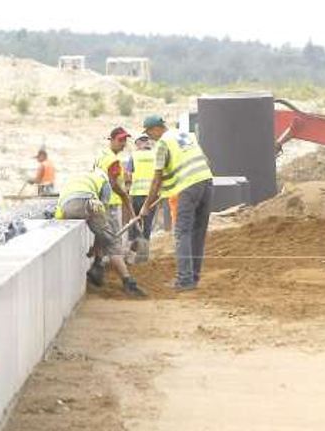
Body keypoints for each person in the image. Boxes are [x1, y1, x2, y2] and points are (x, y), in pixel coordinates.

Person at [139, 114, 214, 291]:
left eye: (149, 133)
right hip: (206, 181)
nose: (150, 137)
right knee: (198, 232)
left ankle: (184, 280)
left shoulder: (163, 144)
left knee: (182, 232)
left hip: (188, 187)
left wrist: (145, 206)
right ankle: (193, 278)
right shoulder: (186, 135)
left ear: (157, 128)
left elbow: (156, 180)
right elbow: (206, 161)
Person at [54, 167, 146, 297]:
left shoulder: (79, 178)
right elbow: (102, 220)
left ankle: (97, 266)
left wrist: (96, 246)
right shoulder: (105, 182)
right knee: (111, 242)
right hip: (88, 202)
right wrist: (100, 243)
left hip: (66, 207)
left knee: (102, 235)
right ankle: (128, 282)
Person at [126, 135, 158, 241]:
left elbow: (128, 175)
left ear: (138, 144)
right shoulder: (155, 155)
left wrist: (127, 192)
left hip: (136, 194)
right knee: (148, 223)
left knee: (135, 221)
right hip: (152, 194)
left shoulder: (134, 156)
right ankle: (145, 248)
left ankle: (133, 246)